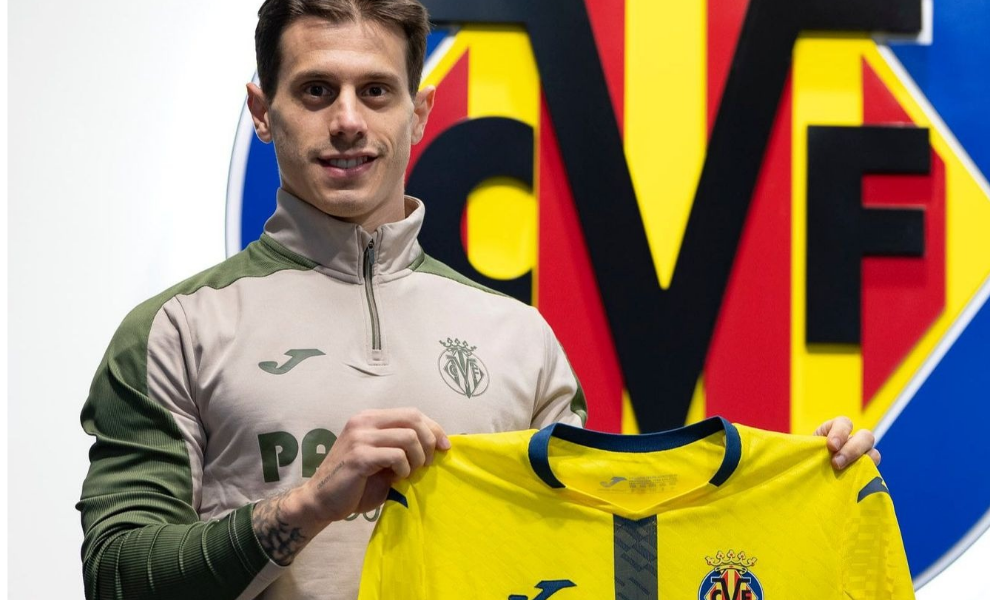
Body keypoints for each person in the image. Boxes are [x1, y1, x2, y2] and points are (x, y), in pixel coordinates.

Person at [76, 1, 881, 599]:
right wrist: (310, 503)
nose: (349, 121)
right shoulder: (174, 332)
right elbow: (115, 576)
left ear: (420, 113)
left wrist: (804, 484)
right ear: (264, 111)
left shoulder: (519, 342)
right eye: (317, 91)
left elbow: (603, 560)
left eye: (377, 92)